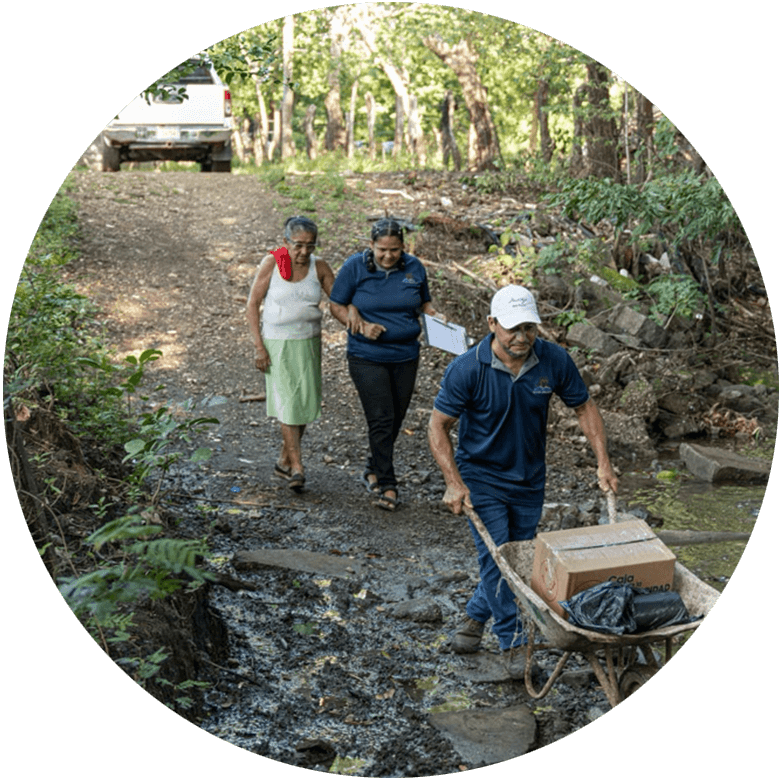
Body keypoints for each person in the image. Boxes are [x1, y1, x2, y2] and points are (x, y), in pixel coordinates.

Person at [428, 284, 619, 676]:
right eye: (513, 329)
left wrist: (604, 463)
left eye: (529, 328)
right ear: (492, 324)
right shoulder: (466, 368)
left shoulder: (553, 361)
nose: (521, 338)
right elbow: (438, 426)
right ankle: (513, 645)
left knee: (516, 560)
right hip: (481, 477)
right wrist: (453, 481)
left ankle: (475, 617)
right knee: (501, 560)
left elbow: (584, 407)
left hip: (529, 478)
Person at [329, 218, 446, 511]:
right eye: (382, 249)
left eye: (395, 250)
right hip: (366, 355)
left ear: (403, 248)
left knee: (395, 418)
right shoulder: (355, 267)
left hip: (406, 355)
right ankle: (388, 484)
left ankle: (372, 466)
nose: (388, 256)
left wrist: (435, 316)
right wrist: (358, 325)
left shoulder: (414, 267)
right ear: (371, 245)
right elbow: (336, 304)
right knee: (380, 417)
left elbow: (424, 304)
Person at [246, 216, 335, 492]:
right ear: (285, 242)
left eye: (310, 245)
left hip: (308, 342)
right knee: (287, 401)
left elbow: (340, 298)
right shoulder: (275, 261)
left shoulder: (318, 266)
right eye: (297, 245)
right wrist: (259, 346)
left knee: (304, 403)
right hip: (278, 342)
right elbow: (252, 304)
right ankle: (297, 467)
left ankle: (284, 459)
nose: (303, 252)